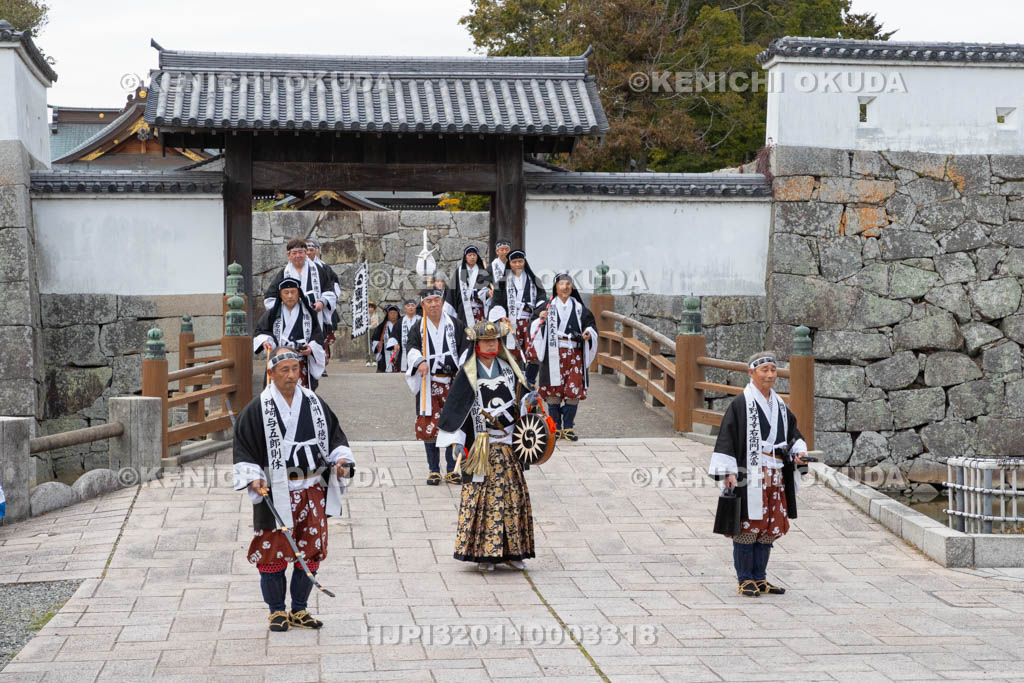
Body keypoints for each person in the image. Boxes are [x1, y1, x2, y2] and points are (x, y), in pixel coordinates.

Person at [232, 346, 355, 631]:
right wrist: (252, 475)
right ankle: (277, 610)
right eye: (284, 370)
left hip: (312, 489)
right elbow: (244, 449)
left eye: (295, 369)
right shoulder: (256, 409)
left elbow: (336, 438)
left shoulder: (314, 403)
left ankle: (300, 609)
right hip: (275, 490)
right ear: (271, 373)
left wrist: (341, 462)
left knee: (310, 551)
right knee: (273, 551)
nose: (291, 376)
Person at [708, 351, 809, 598]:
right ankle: (745, 579)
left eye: (773, 370)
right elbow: (727, 437)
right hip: (750, 472)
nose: (770, 375)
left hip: (776, 473)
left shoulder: (781, 407)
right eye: (764, 370)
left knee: (770, 526)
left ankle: (760, 577)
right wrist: (728, 472)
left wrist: (799, 452)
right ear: (751, 373)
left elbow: (793, 434)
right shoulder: (741, 404)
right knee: (748, 525)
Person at [437, 319, 535, 572]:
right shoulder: (468, 372)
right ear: (477, 344)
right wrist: (456, 443)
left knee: (513, 500)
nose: (491, 344)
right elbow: (455, 409)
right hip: (482, 446)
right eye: (486, 341)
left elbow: (521, 398)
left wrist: (529, 401)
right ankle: (483, 554)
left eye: (495, 340)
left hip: (508, 445)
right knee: (483, 502)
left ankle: (514, 551)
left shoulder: (510, 368)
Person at [404, 288, 470, 485]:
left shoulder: (455, 324)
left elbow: (466, 347)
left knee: (453, 424)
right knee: (429, 425)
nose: (433, 304)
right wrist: (419, 361)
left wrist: (462, 369)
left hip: (452, 382)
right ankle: (433, 469)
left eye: (437, 300)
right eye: (429, 301)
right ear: (422, 305)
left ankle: (452, 469)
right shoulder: (418, 328)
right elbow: (411, 347)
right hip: (429, 383)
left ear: (442, 302)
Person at [529, 273, 597, 441]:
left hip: (574, 353)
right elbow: (534, 322)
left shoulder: (579, 308)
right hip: (554, 352)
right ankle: (555, 427)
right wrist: (540, 319)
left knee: (573, 389)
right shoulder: (548, 306)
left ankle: (568, 427)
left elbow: (590, 325)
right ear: (556, 287)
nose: (565, 287)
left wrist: (589, 333)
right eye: (562, 284)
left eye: (568, 284)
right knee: (553, 390)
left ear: (572, 288)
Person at [253, 278, 326, 391]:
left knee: (302, 394)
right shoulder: (273, 312)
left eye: (293, 292)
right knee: (278, 392)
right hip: (279, 360)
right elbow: (260, 331)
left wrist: (311, 348)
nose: (290, 296)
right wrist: (265, 341)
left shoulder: (308, 312)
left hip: (301, 360)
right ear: (281, 295)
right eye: (286, 293)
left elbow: (317, 334)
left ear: (298, 294)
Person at [489, 249, 547, 387]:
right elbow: (496, 301)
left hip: (530, 321)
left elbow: (542, 298)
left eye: (520, 261)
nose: (517, 265)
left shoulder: (534, 280)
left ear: (524, 262)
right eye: (514, 262)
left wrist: (539, 312)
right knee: (512, 354)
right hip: (511, 323)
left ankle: (530, 382)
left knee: (533, 353)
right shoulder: (502, 281)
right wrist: (501, 316)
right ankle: (513, 383)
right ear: (510, 263)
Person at [264, 238, 337, 330]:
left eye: (300, 252)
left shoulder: (318, 270)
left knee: (315, 340)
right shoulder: (283, 274)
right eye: (294, 253)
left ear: (305, 253)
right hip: (291, 317)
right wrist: (284, 307)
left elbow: (329, 291)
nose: (298, 255)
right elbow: (270, 298)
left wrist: (322, 302)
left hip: (314, 314)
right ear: (288, 255)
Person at [306, 239, 340, 375]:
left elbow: (334, 287)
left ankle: (320, 365)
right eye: (306, 249)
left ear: (318, 250)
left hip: (322, 309)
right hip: (304, 308)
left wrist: (324, 301)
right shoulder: (294, 269)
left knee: (322, 337)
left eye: (311, 249)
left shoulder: (324, 268)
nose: (308, 252)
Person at [454, 245, 491, 326]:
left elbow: (487, 288)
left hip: (479, 308)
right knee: (465, 332)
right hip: (464, 309)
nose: (472, 257)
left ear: (477, 257)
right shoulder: (460, 272)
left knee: (480, 333)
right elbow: (453, 291)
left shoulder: (482, 272)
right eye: (469, 255)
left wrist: (488, 293)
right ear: (465, 257)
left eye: (474, 255)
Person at [371, 305, 401, 373]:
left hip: (399, 352)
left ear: (398, 314)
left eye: (395, 313)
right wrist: (378, 345)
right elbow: (375, 339)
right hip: (384, 353)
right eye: (391, 313)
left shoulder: (402, 325)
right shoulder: (381, 326)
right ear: (387, 315)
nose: (393, 315)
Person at [395, 299, 422, 373]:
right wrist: (395, 343)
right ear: (405, 309)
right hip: (404, 349)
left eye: (413, 306)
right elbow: (394, 334)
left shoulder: (421, 320)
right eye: (408, 306)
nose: (410, 307)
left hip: (418, 348)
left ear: (415, 308)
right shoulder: (400, 321)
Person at [365, 302, 382, 367]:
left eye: (371, 307)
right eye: (369, 307)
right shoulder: (365, 315)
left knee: (374, 345)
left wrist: (370, 326)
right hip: (367, 331)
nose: (370, 309)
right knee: (367, 345)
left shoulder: (375, 315)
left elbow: (375, 323)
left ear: (374, 308)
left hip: (374, 330)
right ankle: (368, 360)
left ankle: (374, 360)